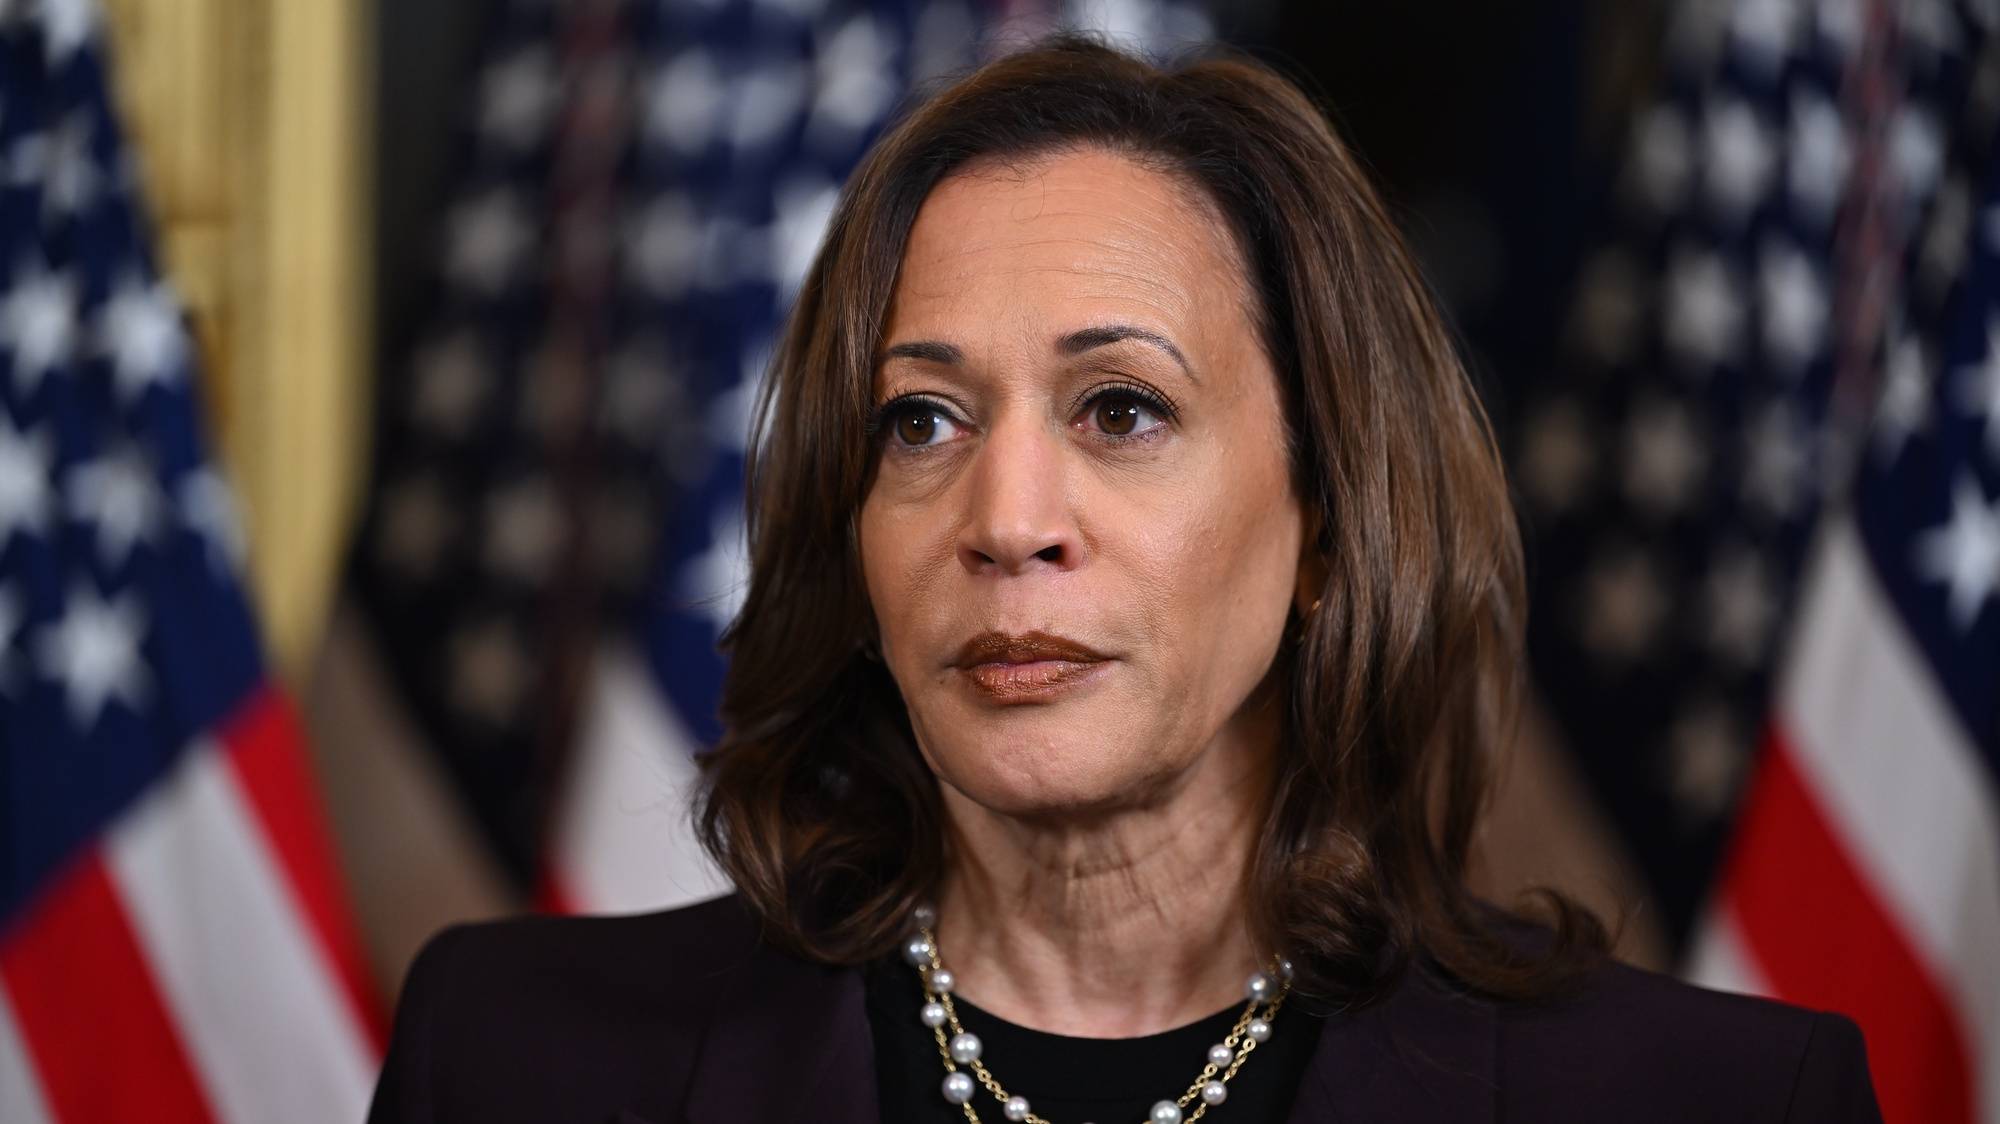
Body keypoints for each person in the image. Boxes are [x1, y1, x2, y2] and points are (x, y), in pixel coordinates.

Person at [366, 35, 1883, 1124]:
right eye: (922, 421)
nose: (1007, 519)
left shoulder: (1722, 1100)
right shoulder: (511, 1061)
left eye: (1123, 410)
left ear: (1334, 524)